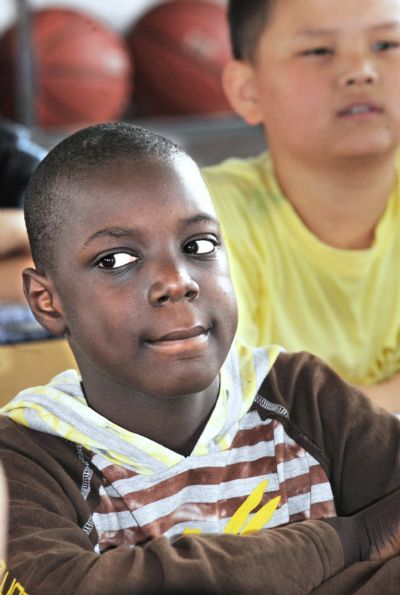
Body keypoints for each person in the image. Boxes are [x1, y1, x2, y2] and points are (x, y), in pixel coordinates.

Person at [1, 122, 400, 595]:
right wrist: (353, 539)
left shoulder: (299, 394)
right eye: (116, 260)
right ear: (48, 302)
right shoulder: (26, 459)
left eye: (199, 246)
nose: (177, 280)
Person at [202, 0, 400, 413]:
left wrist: (316, 409)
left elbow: (286, 413)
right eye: (318, 51)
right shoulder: (200, 215)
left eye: (386, 44)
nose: (361, 70)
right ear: (247, 90)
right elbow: (232, 415)